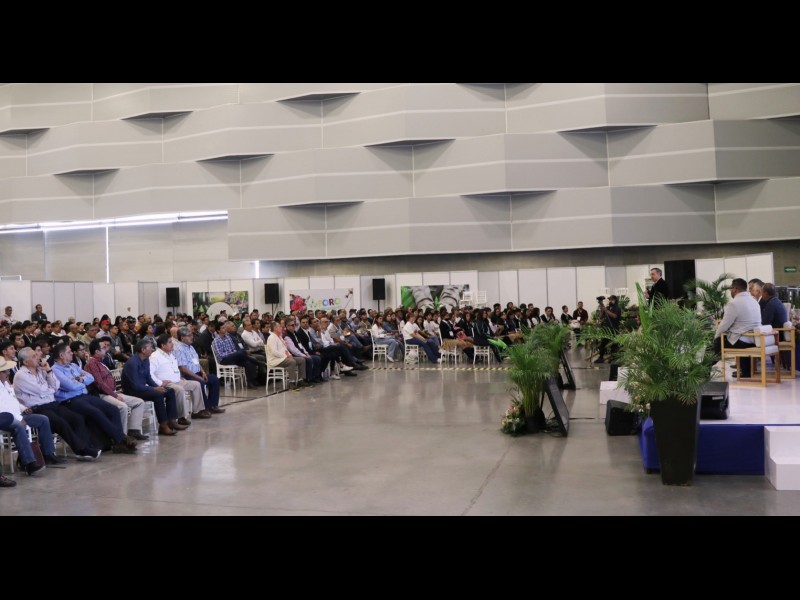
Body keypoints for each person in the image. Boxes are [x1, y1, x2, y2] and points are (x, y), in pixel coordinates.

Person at [13, 347, 102, 461]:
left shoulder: (42, 370)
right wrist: (50, 389)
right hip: (37, 408)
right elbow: (41, 391)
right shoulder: (21, 375)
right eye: (34, 356)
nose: (38, 357)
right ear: (25, 362)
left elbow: (56, 386)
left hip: (52, 403)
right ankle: (82, 450)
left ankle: (84, 448)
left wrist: (49, 371)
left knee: (77, 418)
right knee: (61, 423)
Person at [50, 344, 137, 454]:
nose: (72, 353)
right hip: (70, 400)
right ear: (61, 355)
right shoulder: (55, 370)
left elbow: (91, 378)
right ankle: (121, 439)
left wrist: (80, 380)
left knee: (113, 409)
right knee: (95, 412)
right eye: (69, 352)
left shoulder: (73, 366)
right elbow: (70, 386)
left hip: (84, 396)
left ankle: (118, 443)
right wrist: (81, 382)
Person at [0, 357, 66, 475]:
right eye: (5, 372)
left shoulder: (4, 384)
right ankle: (29, 463)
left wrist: (23, 409)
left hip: (17, 414)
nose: (8, 373)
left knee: (43, 419)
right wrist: (20, 418)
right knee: (18, 427)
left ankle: (48, 454)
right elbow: (3, 408)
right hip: (5, 418)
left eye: (8, 371)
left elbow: (12, 401)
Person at [84, 339, 149, 440]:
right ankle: (122, 437)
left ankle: (134, 430)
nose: (106, 349)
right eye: (103, 347)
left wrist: (115, 392)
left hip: (112, 392)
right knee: (122, 407)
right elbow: (99, 383)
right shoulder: (92, 363)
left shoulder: (100, 362)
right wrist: (115, 395)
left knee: (139, 402)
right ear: (97, 351)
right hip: (102, 395)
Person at [121, 339, 186, 436]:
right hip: (132, 390)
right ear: (143, 350)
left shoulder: (146, 359)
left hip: (142, 388)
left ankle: (172, 421)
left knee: (170, 391)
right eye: (150, 347)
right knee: (158, 395)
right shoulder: (132, 363)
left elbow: (148, 378)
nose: (152, 349)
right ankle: (163, 425)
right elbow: (135, 385)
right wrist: (154, 389)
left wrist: (158, 386)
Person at [150, 334, 205, 424]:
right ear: (163, 345)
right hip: (167, 383)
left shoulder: (171, 354)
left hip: (177, 380)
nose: (172, 344)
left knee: (196, 384)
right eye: (170, 342)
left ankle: (197, 411)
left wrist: (179, 376)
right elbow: (150, 373)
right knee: (179, 390)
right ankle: (181, 417)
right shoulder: (155, 356)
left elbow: (174, 368)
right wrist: (160, 383)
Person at [714, 278, 762, 379]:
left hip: (743, 341)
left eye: (731, 289)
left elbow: (724, 325)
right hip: (755, 339)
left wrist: (716, 336)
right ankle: (746, 372)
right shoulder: (754, 301)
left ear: (735, 289)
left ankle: (703, 370)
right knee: (737, 336)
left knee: (717, 342)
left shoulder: (734, 303)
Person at [175, 327, 224, 417]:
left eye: (192, 335)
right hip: (187, 375)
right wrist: (197, 377)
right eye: (189, 336)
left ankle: (212, 406)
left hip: (197, 373)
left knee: (214, 380)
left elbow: (197, 362)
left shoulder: (191, 347)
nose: (192, 337)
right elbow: (182, 368)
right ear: (182, 338)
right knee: (200, 383)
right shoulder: (179, 349)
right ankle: (201, 409)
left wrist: (203, 372)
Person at [212, 322, 259, 388]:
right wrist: (231, 353)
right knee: (241, 353)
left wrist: (233, 353)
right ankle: (255, 361)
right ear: (218, 331)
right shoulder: (216, 341)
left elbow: (233, 349)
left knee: (247, 362)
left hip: (233, 357)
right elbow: (220, 355)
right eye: (223, 328)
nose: (225, 329)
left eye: (225, 327)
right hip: (224, 360)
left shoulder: (228, 338)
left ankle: (250, 383)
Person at [266, 322, 308, 390]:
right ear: (275, 328)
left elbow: (285, 349)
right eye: (279, 326)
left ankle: (300, 380)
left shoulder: (280, 337)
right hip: (275, 360)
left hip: (284, 358)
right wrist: (286, 356)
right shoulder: (272, 338)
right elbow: (274, 352)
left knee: (302, 360)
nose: (281, 328)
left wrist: (290, 355)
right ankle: (291, 382)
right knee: (292, 362)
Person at [595, 295, 621, 364]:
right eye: (610, 299)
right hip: (606, 329)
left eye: (612, 300)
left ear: (615, 300)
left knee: (614, 345)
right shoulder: (608, 307)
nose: (610, 301)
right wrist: (602, 310)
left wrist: (606, 310)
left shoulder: (617, 308)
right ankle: (601, 357)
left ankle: (613, 359)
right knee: (602, 344)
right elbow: (601, 317)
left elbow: (614, 316)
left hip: (614, 329)